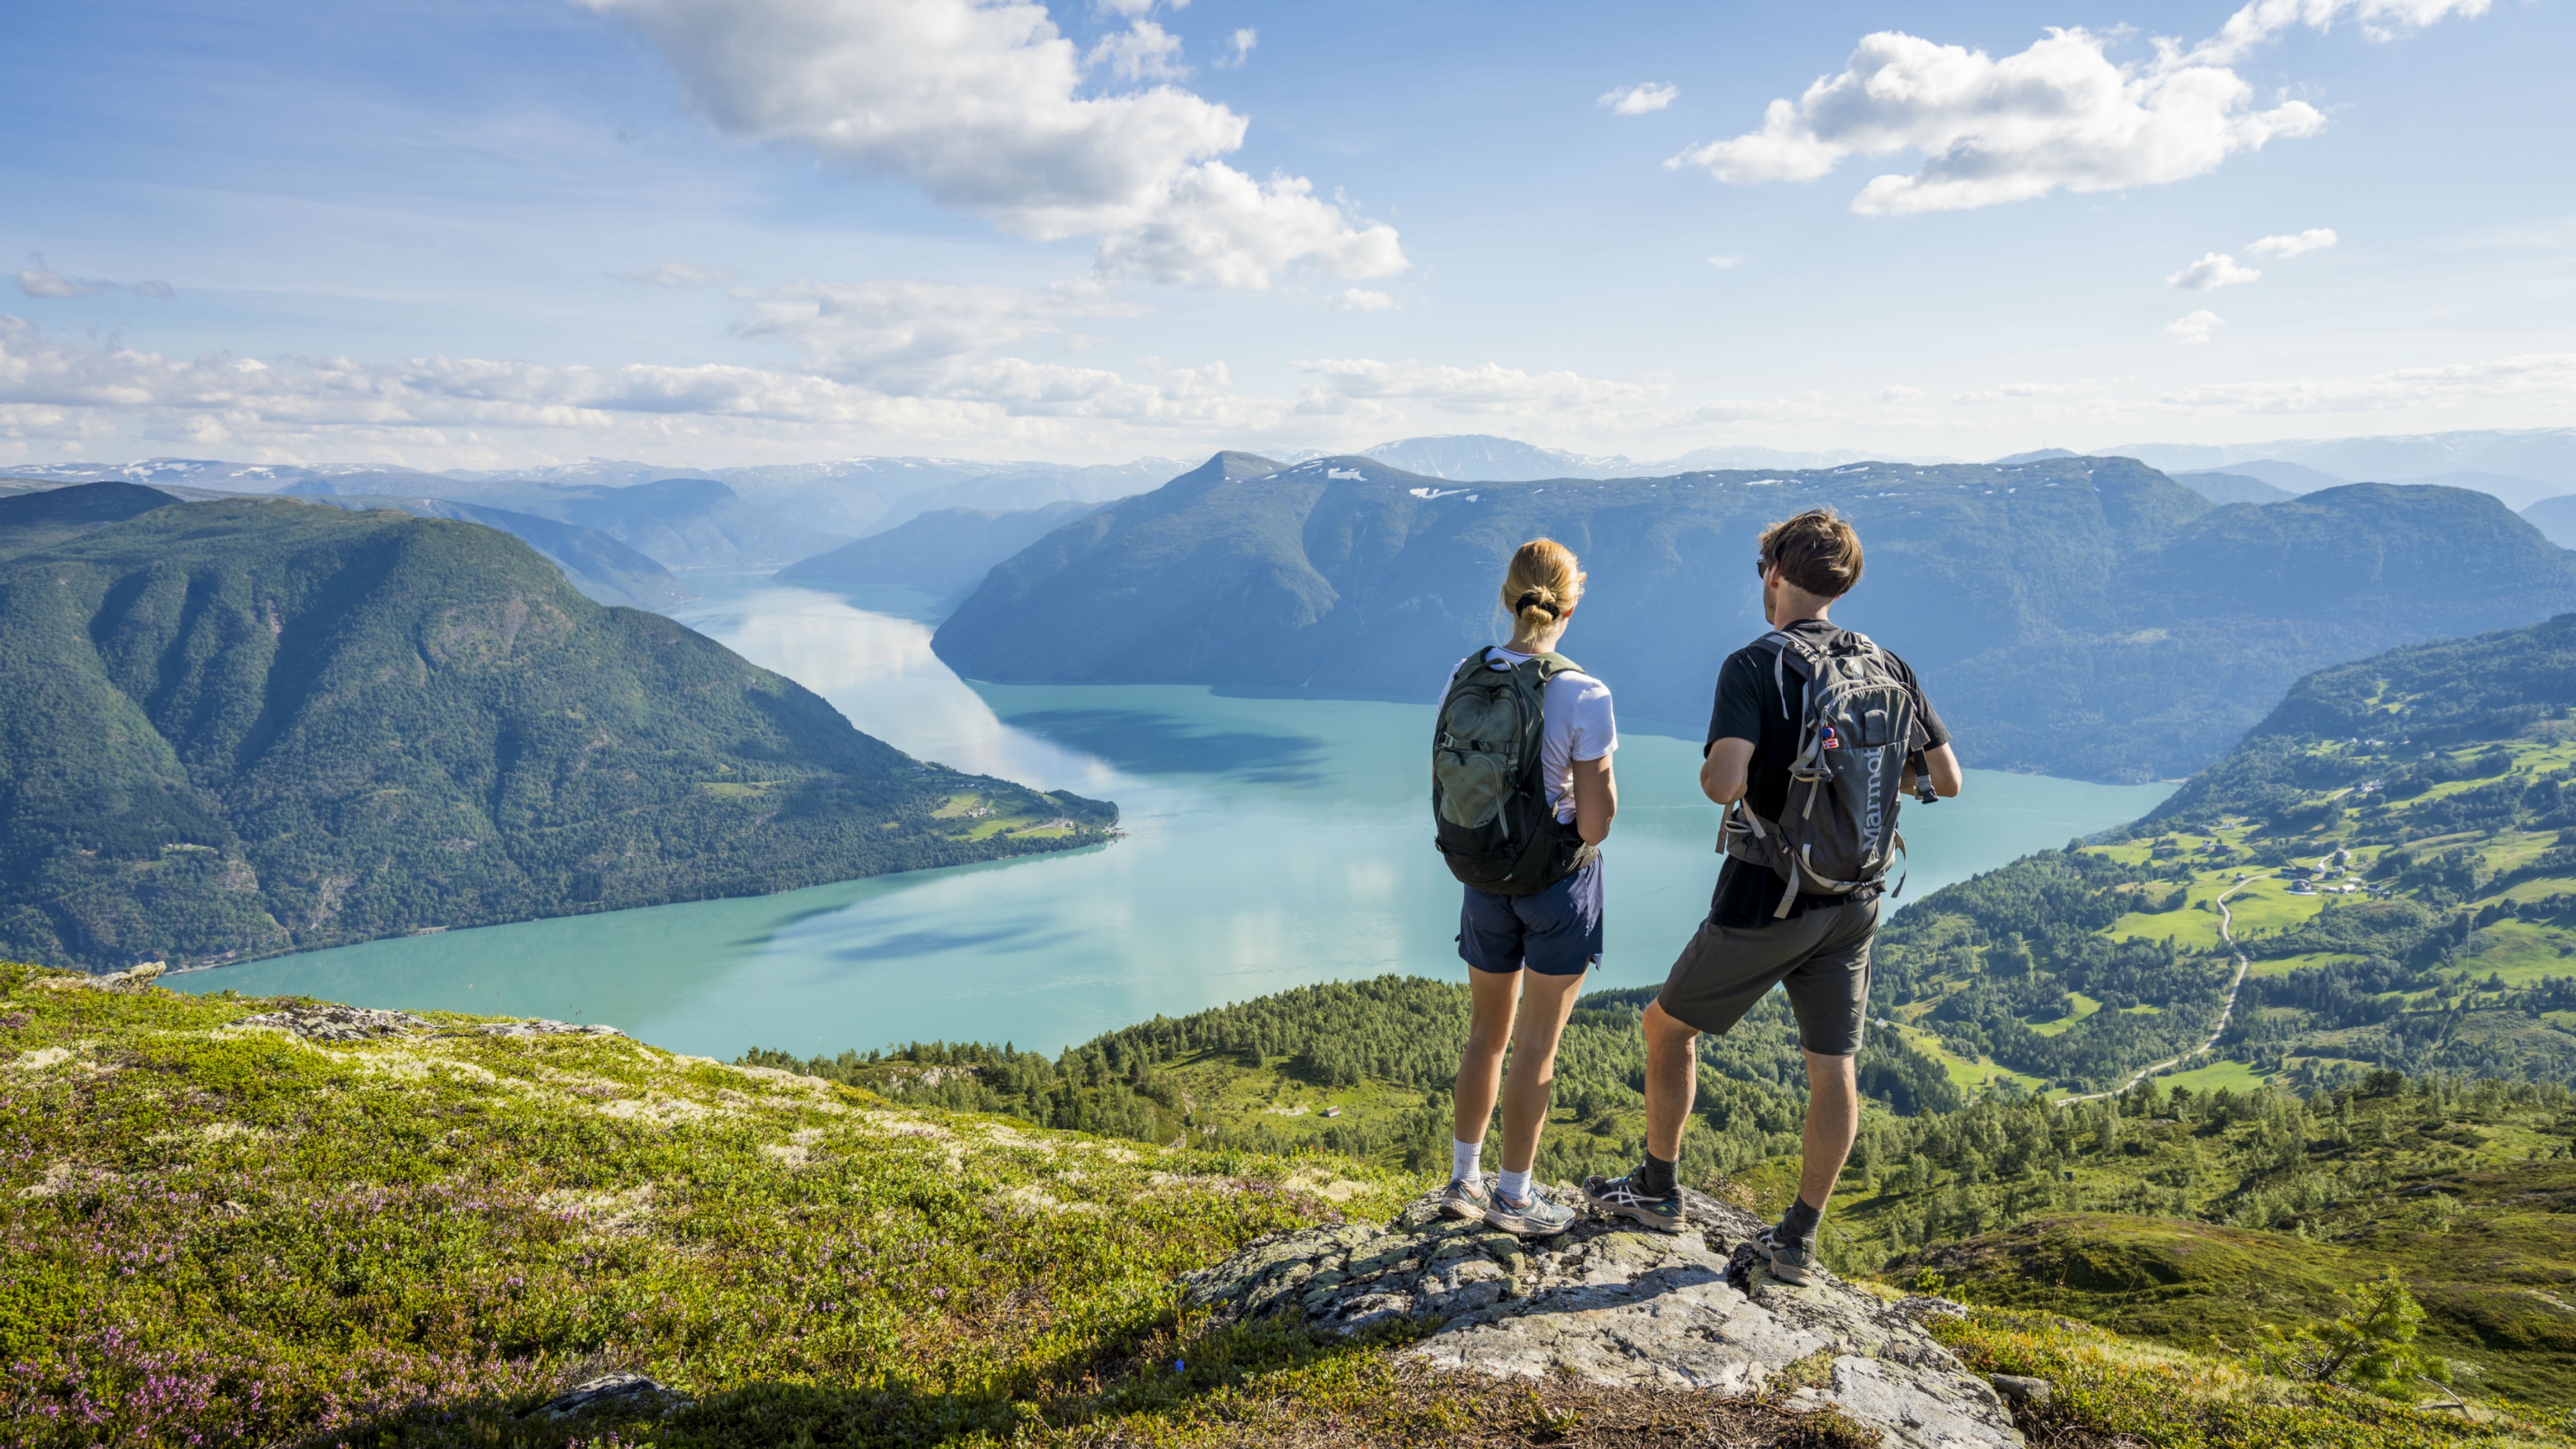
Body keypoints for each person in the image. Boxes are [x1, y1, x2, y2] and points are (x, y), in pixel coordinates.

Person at [1584, 508, 1961, 1281]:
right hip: (1856, 896)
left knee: (1667, 1026)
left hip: (1768, 894)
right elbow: (1946, 780)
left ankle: (1658, 1191)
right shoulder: (1888, 664)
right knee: (1834, 1067)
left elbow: (1723, 781)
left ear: (1775, 576)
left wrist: (1737, 771)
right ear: (1843, 583)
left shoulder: (1756, 665)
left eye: (1764, 572)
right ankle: (1798, 1239)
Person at [1437, 539, 1618, 1238]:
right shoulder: (1582, 691)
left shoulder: (1466, 671)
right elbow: (1595, 824)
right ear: (1570, 603)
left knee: (1485, 1033)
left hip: (1481, 876)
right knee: (1537, 1042)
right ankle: (1514, 1197)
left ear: (1508, 598)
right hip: (1555, 887)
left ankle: (1463, 1180)